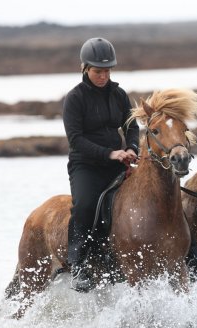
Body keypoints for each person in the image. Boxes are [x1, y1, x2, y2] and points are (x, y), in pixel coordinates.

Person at [63, 37, 139, 292]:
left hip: (117, 161)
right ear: (85, 68)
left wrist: (131, 148)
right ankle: (78, 264)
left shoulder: (119, 94)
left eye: (107, 71)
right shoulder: (74, 98)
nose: (103, 76)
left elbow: (132, 126)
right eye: (98, 71)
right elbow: (76, 140)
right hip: (85, 165)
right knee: (85, 205)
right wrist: (110, 154)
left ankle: (191, 254)